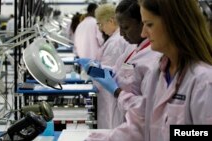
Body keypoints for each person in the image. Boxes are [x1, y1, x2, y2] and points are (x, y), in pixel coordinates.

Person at [86, 0, 212, 141]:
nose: (144, 33)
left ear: (174, 24)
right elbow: (141, 126)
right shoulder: (158, 74)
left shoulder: (203, 81)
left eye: (149, 24)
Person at [91, 3, 135, 129]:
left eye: (101, 24)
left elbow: (112, 72)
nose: (100, 28)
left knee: (110, 123)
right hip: (117, 96)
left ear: (110, 21)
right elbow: (118, 68)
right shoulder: (115, 39)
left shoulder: (116, 41)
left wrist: (95, 70)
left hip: (113, 95)